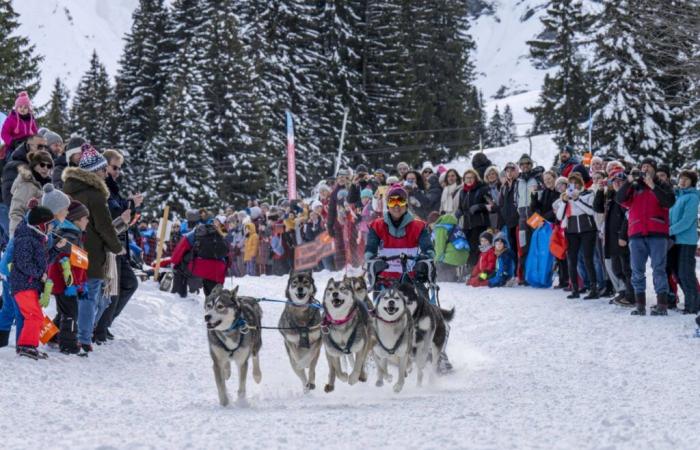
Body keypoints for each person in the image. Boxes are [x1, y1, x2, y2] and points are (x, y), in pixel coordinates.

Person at [363, 184, 452, 373]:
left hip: (412, 279)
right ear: (387, 204)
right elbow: (369, 252)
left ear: (406, 204)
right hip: (386, 280)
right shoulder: (377, 226)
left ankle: (439, 354)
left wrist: (423, 262)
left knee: (428, 313)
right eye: (392, 201)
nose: (396, 206)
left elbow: (428, 250)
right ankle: (376, 353)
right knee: (379, 315)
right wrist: (374, 263)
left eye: (400, 201)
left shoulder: (419, 226)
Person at [61, 144, 125, 353]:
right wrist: (117, 247)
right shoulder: (96, 195)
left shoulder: (68, 189)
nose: (106, 173)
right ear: (95, 172)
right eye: (103, 170)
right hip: (92, 251)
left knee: (72, 294)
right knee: (91, 295)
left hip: (69, 247)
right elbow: (104, 226)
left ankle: (66, 334)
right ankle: (84, 338)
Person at [616, 158, 675, 316]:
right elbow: (619, 199)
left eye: (649, 167)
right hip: (636, 234)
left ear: (654, 170)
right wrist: (628, 182)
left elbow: (669, 202)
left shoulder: (662, 185)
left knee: (658, 269)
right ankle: (640, 305)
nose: (646, 169)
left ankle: (662, 305)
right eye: (643, 167)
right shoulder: (635, 187)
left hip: (658, 234)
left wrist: (653, 186)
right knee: (637, 271)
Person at [94, 149, 140, 342]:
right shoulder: (101, 187)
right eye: (115, 167)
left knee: (129, 284)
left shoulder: (113, 187)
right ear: (104, 166)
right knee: (112, 290)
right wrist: (127, 209)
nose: (117, 172)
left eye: (119, 169)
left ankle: (104, 324)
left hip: (119, 242)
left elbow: (121, 210)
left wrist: (132, 204)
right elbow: (110, 216)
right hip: (110, 244)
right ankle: (99, 328)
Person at [10, 205, 62, 359]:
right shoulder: (26, 239)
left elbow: (43, 262)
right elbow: (24, 263)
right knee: (34, 316)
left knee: (35, 316)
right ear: (41, 225)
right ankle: (26, 346)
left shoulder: (38, 239)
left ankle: (27, 345)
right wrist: (40, 275)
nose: (52, 227)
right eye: (50, 224)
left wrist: (56, 249)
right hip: (23, 284)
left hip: (31, 284)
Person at [47, 201, 90, 354]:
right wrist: (71, 283)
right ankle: (68, 345)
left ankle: (51, 337)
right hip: (65, 283)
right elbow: (63, 262)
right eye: (86, 218)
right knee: (71, 313)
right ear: (77, 219)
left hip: (65, 282)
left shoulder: (72, 233)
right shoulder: (70, 236)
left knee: (63, 311)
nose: (87, 221)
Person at [594, 168, 634, 306]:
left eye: (620, 182)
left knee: (625, 268)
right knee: (616, 268)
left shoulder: (626, 197)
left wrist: (623, 235)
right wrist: (600, 190)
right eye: (614, 182)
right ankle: (623, 291)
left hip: (622, 238)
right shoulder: (611, 196)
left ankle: (630, 294)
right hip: (610, 238)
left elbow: (628, 218)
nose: (617, 184)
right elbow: (597, 207)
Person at [556, 172, 598, 299]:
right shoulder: (565, 197)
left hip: (587, 229)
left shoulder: (588, 194)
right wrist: (564, 202)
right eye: (571, 183)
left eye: (576, 183)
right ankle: (575, 288)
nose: (574, 186)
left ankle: (593, 288)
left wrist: (576, 199)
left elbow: (590, 211)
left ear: (581, 184)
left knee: (587, 258)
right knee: (572, 259)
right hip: (572, 231)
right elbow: (559, 216)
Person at [170, 217, 230, 296]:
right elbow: (228, 256)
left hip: (198, 266)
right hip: (217, 270)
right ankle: (213, 301)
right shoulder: (223, 235)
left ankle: (179, 295)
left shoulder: (200, 230)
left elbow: (183, 244)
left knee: (179, 269)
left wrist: (174, 262)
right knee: (212, 295)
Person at [669, 170, 699, 314]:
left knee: (686, 273)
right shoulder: (677, 197)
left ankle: (693, 305)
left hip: (687, 240)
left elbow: (687, 221)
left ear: (692, 182)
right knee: (679, 274)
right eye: (681, 178)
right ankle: (691, 302)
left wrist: (668, 231)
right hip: (676, 240)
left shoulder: (692, 197)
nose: (683, 181)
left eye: (687, 179)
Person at [9, 150, 55, 236]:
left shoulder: (46, 187)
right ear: (34, 166)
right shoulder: (27, 186)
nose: (45, 168)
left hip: (42, 237)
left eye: (49, 166)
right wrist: (17, 237)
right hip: (27, 237)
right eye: (42, 164)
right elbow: (16, 213)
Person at [455, 169, 489, 271]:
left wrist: (480, 206)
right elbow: (461, 207)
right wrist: (458, 212)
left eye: (471, 177)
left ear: (476, 178)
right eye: (467, 178)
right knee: (468, 248)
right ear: (464, 179)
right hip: (467, 224)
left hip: (479, 223)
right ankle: (470, 270)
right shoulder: (462, 192)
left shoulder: (482, 189)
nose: (469, 180)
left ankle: (478, 270)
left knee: (477, 247)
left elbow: (491, 204)